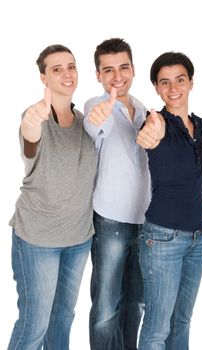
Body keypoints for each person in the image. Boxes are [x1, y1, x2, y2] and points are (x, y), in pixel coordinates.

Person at [8, 44, 97, 350]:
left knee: (62, 319)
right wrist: (31, 122)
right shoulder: (36, 117)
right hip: (38, 240)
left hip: (78, 238)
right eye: (56, 69)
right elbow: (30, 139)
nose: (66, 74)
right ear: (43, 78)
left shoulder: (86, 122)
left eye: (71, 66)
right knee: (35, 324)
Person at [136, 51, 202, 350]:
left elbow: (191, 176)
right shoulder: (157, 123)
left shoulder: (199, 126)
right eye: (164, 82)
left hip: (198, 237)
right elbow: (147, 137)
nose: (173, 88)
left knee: (182, 321)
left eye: (180, 80)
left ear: (191, 82)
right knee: (157, 328)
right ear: (156, 87)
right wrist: (147, 135)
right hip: (163, 238)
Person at [83, 38, 151, 350]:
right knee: (105, 308)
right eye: (108, 70)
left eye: (123, 67)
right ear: (98, 75)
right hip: (110, 220)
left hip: (146, 221)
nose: (117, 76)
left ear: (133, 69)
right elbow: (95, 125)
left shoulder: (145, 111)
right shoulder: (96, 107)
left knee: (135, 304)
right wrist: (99, 117)